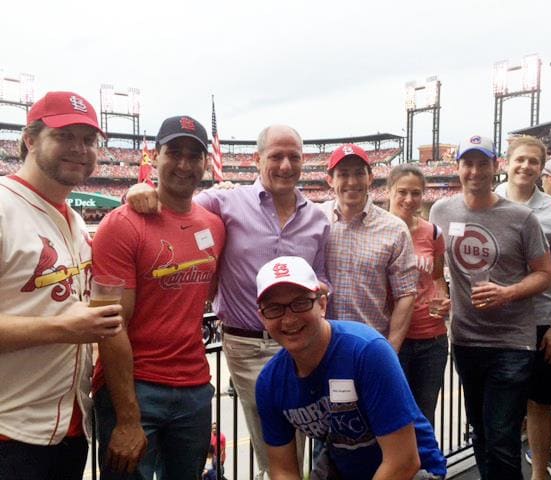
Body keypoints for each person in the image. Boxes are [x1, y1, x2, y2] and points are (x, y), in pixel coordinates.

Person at [126, 125, 330, 479]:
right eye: (275, 157)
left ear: (304, 161)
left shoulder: (317, 218)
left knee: (302, 440)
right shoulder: (224, 202)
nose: (285, 165)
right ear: (256, 160)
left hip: (303, 344)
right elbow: (174, 202)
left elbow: (322, 277)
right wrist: (140, 188)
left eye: (293, 157)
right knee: (277, 448)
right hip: (249, 345)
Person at [92, 115, 226, 479]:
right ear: (155, 157)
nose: (184, 164)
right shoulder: (123, 223)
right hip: (137, 386)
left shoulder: (213, 224)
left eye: (194, 155)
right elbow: (110, 324)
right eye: (174, 152)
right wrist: (127, 416)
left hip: (195, 387)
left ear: (204, 162)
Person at [0, 91, 123, 479]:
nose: (79, 149)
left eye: (88, 140)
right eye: (64, 136)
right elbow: (66, 324)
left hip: (71, 428)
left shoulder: (73, 221)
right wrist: (63, 329)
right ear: (30, 140)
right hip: (9, 431)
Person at [254, 256, 447, 480]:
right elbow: (283, 470)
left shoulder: (367, 352)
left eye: (300, 303)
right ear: (262, 318)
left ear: (323, 304)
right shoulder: (270, 383)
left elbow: (403, 462)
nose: (288, 320)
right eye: (274, 309)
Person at [429, 135, 551, 480]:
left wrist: (508, 292)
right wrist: (442, 294)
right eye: (468, 164)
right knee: (481, 432)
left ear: (495, 167)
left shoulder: (521, 217)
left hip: (512, 342)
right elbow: (439, 264)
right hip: (467, 339)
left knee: (501, 436)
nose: (474, 171)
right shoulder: (442, 210)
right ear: (458, 169)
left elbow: (546, 274)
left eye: (482, 164)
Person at [495, 136, 551, 480]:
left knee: (540, 404)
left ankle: (540, 473)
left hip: (541, 320)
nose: (525, 166)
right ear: (507, 162)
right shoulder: (489, 200)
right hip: (498, 322)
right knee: (503, 408)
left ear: (542, 168)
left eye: (533, 161)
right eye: (520, 160)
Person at [320, 144, 417, 351]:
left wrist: (391, 348)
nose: (352, 182)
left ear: (370, 177)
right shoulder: (315, 219)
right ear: (330, 180)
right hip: (321, 344)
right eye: (343, 174)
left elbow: (406, 294)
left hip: (370, 344)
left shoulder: (394, 228)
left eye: (359, 173)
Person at [387, 164, 448, 426]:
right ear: (388, 191)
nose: (409, 200)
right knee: (394, 415)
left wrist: (444, 300)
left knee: (425, 416)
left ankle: (424, 467)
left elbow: (436, 277)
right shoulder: (378, 229)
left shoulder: (432, 233)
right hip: (392, 339)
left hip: (431, 338)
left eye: (416, 193)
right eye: (402, 192)